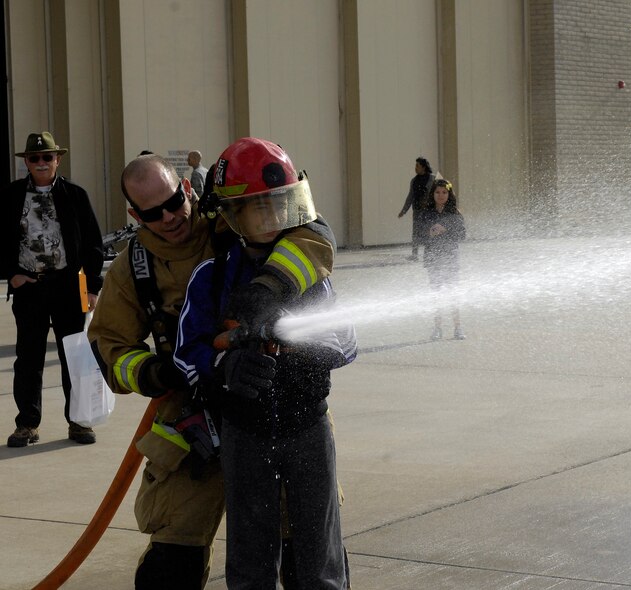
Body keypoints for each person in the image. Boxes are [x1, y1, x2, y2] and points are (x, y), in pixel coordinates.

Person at [175, 137, 354, 588]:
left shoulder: (310, 272)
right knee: (251, 559)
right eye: (259, 207)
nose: (273, 216)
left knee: (320, 559)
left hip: (309, 428)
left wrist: (302, 341)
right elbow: (185, 351)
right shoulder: (211, 276)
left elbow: (346, 342)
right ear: (233, 215)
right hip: (244, 433)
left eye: (280, 203)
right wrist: (223, 368)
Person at [89, 153, 226, 588]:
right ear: (134, 214)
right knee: (170, 562)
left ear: (187, 188)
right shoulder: (133, 267)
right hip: (192, 417)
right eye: (152, 213)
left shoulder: (231, 225)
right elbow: (110, 347)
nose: (169, 218)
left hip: (270, 407)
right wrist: (153, 373)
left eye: (173, 203)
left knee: (305, 547)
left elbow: (309, 236)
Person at [1, 131, 104, 448]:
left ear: (58, 159)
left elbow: (92, 244)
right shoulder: (12, 195)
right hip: (30, 289)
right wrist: (12, 275)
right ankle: (27, 424)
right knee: (28, 358)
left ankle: (78, 421)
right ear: (27, 163)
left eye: (47, 157)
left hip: (66, 287)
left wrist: (92, 287)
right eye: (35, 158)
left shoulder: (75, 195)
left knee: (73, 356)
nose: (41, 162)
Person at [422, 178, 466, 340]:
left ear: (449, 194)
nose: (441, 196)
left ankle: (458, 327)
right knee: (437, 294)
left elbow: (462, 235)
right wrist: (430, 232)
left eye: (444, 193)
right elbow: (419, 234)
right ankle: (437, 327)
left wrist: (445, 229)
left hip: (451, 259)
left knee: (453, 293)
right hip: (433, 259)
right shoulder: (426, 213)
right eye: (437, 192)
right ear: (432, 194)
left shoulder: (454, 213)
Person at [398, 156, 436, 261]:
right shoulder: (414, 181)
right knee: (416, 233)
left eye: (417, 166)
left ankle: (428, 255)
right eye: (415, 166)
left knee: (429, 232)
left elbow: (442, 190)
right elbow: (410, 196)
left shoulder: (433, 178)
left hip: (429, 211)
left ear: (424, 167)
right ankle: (414, 255)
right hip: (417, 210)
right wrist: (404, 210)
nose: (415, 168)